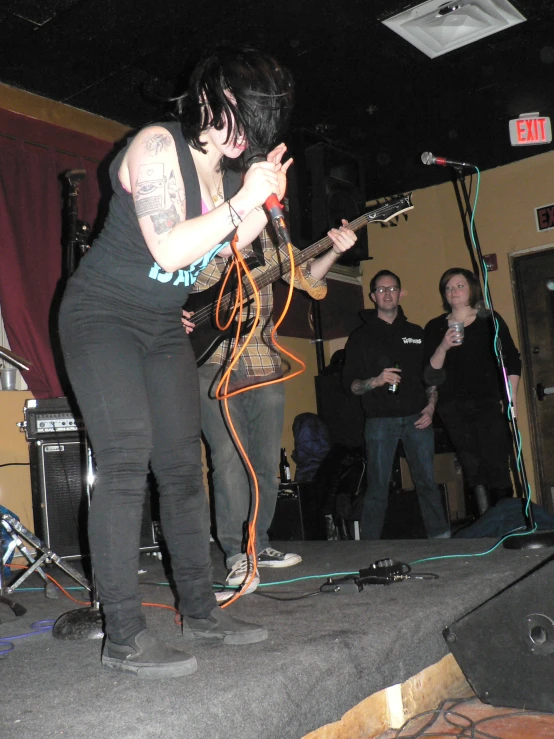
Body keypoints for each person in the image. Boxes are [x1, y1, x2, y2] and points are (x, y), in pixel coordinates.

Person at [57, 44, 295, 678]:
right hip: (100, 316)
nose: (249, 137)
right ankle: (125, 636)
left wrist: (250, 206)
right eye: (245, 117)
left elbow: (204, 264)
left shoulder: (220, 173)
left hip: (162, 324)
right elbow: (167, 248)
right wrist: (243, 202)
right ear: (213, 101)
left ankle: (203, 613)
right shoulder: (158, 146)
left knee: (182, 470)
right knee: (126, 462)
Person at [183, 222, 357, 595]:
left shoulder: (274, 240)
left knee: (266, 464)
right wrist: (227, 248)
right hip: (213, 360)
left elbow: (311, 282)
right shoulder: (208, 229)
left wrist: (335, 251)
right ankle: (235, 553)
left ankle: (258, 544)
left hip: (263, 359)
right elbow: (191, 286)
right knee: (228, 458)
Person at [341, 270, 450, 540]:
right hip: (379, 421)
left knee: (427, 483)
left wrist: (431, 406)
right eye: (381, 289)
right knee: (377, 487)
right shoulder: (360, 337)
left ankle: (442, 540)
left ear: (401, 293)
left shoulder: (416, 333)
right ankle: (369, 546)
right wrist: (376, 381)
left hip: (418, 418)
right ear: (373, 296)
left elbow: (430, 377)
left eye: (392, 289)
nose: (387, 294)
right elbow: (350, 386)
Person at [423, 268, 521, 517]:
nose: (453, 291)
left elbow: (512, 360)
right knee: (472, 469)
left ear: (471, 289)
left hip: (488, 405)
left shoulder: (490, 320)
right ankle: (486, 527)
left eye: (459, 286)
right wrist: (443, 346)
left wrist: (511, 399)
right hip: (454, 409)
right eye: (448, 287)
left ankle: (507, 524)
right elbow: (430, 374)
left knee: (497, 463)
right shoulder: (435, 327)